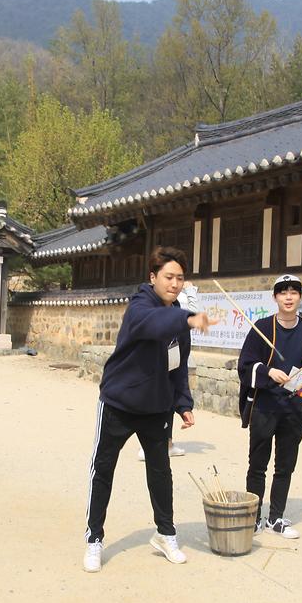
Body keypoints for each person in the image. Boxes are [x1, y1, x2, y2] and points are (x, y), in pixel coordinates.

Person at [83, 246, 216, 573]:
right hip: (119, 403)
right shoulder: (140, 306)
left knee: (160, 473)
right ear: (153, 277)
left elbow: (178, 365)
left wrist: (183, 404)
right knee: (103, 469)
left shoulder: (179, 315)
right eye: (168, 277)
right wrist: (188, 318)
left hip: (156, 408)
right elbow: (153, 323)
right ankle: (94, 539)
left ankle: (165, 534)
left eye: (180, 278)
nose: (175, 284)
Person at [237, 274, 302, 539]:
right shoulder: (262, 327)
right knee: (257, 464)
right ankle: (254, 517)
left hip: (294, 408)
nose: (288, 297)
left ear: (300, 297)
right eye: (283, 292)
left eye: (293, 292)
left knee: (285, 466)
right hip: (265, 406)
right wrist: (268, 371)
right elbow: (245, 364)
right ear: (275, 297)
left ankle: (276, 518)